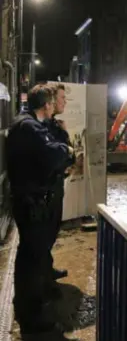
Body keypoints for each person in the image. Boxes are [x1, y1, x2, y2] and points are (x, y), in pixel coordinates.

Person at [6, 84, 74, 336]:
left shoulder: (29, 125)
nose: (60, 103)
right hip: (31, 204)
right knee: (31, 264)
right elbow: (53, 154)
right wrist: (67, 151)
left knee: (32, 260)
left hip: (34, 202)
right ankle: (33, 321)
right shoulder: (29, 127)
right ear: (47, 104)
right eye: (58, 99)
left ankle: (30, 310)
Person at [45, 84, 74, 282]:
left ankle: (46, 271)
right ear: (52, 101)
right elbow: (64, 156)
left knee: (51, 233)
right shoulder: (46, 128)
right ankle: (43, 280)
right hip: (48, 190)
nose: (65, 102)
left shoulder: (53, 125)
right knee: (45, 235)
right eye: (62, 98)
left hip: (54, 187)